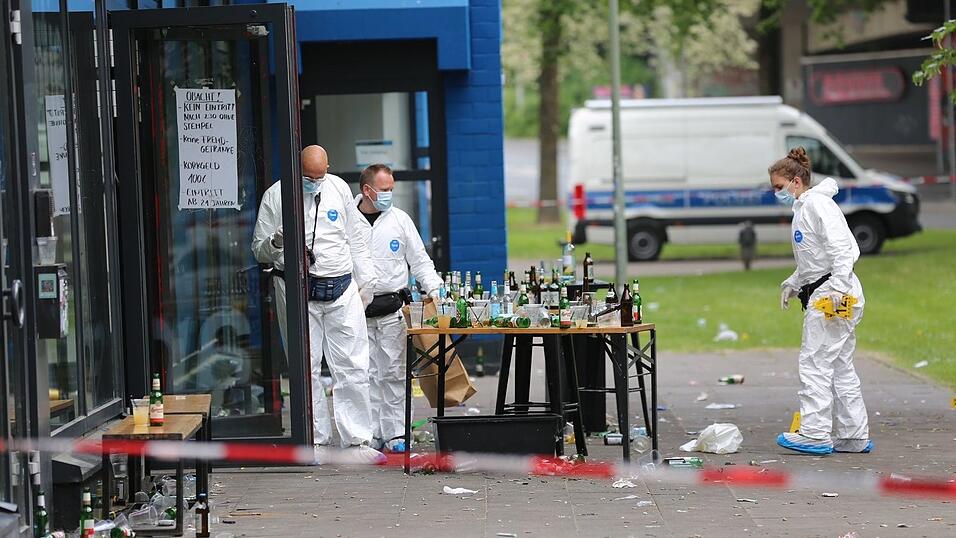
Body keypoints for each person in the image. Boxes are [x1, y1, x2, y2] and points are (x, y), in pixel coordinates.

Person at [251, 145, 382, 463]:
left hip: (341, 287)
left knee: (352, 366)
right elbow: (259, 251)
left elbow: (357, 237)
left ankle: (357, 441)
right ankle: (316, 440)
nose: (314, 183)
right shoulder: (276, 196)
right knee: (305, 367)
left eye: (319, 177)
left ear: (328, 168)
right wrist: (277, 241)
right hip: (297, 290)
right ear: (296, 170)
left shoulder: (337, 188)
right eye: (308, 178)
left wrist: (366, 282)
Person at [770, 147, 872, 455]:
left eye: (779, 186)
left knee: (814, 362)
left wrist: (837, 287)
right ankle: (853, 435)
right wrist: (794, 282)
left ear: (796, 182)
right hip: (834, 289)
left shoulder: (817, 205)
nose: (776, 193)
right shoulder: (806, 208)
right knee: (839, 365)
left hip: (832, 293)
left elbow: (841, 249)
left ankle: (814, 433)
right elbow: (816, 259)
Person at [355, 164, 443, 453]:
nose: (389, 194)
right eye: (384, 189)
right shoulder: (347, 219)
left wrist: (437, 291)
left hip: (393, 309)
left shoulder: (400, 220)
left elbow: (419, 261)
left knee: (394, 373)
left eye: (391, 189)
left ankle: (396, 433)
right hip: (357, 309)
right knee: (363, 374)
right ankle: (368, 434)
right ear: (367, 190)